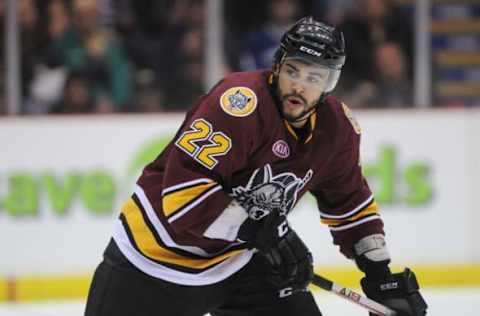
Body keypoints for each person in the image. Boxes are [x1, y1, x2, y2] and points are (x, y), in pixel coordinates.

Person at [84, 16, 427, 316]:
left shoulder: (336, 129)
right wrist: (268, 233)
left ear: (329, 84)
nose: (299, 85)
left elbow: (351, 205)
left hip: (238, 262)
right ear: (277, 66)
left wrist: (380, 276)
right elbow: (183, 197)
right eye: (293, 70)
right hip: (154, 258)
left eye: (314, 77)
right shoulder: (239, 103)